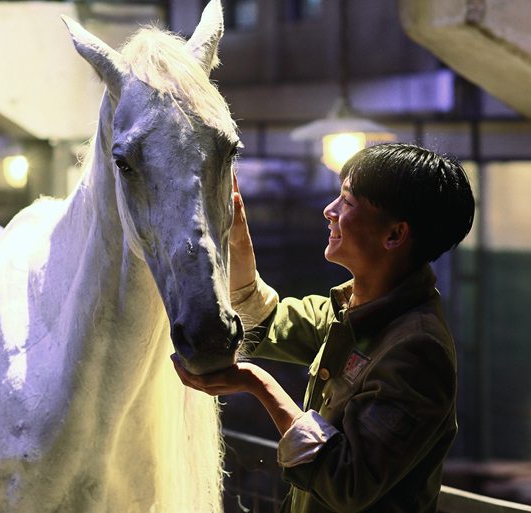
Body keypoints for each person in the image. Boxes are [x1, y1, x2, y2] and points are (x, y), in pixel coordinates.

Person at [172, 143, 476, 512]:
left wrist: (261, 385)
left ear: (394, 235)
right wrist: (236, 233)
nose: (329, 210)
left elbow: (346, 483)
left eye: (347, 202)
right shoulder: (350, 314)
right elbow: (264, 321)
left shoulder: (416, 350)